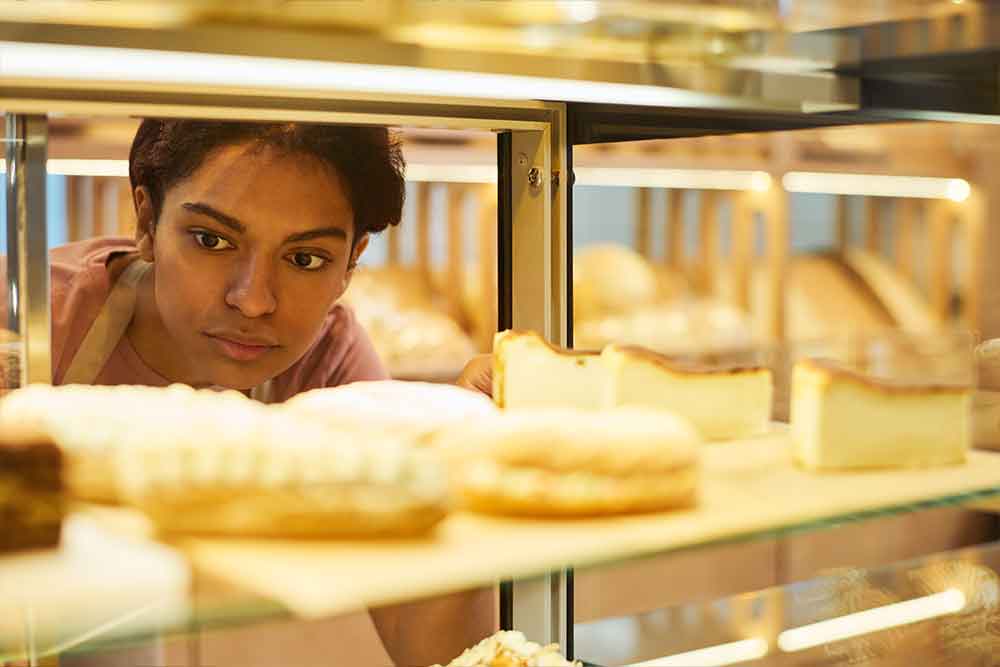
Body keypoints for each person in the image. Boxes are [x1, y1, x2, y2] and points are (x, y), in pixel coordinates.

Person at [4, 119, 494, 666]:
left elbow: (421, 605)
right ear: (147, 220)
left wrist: (460, 440)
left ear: (351, 263)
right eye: (211, 241)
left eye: (304, 258)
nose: (254, 300)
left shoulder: (330, 359)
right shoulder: (34, 321)